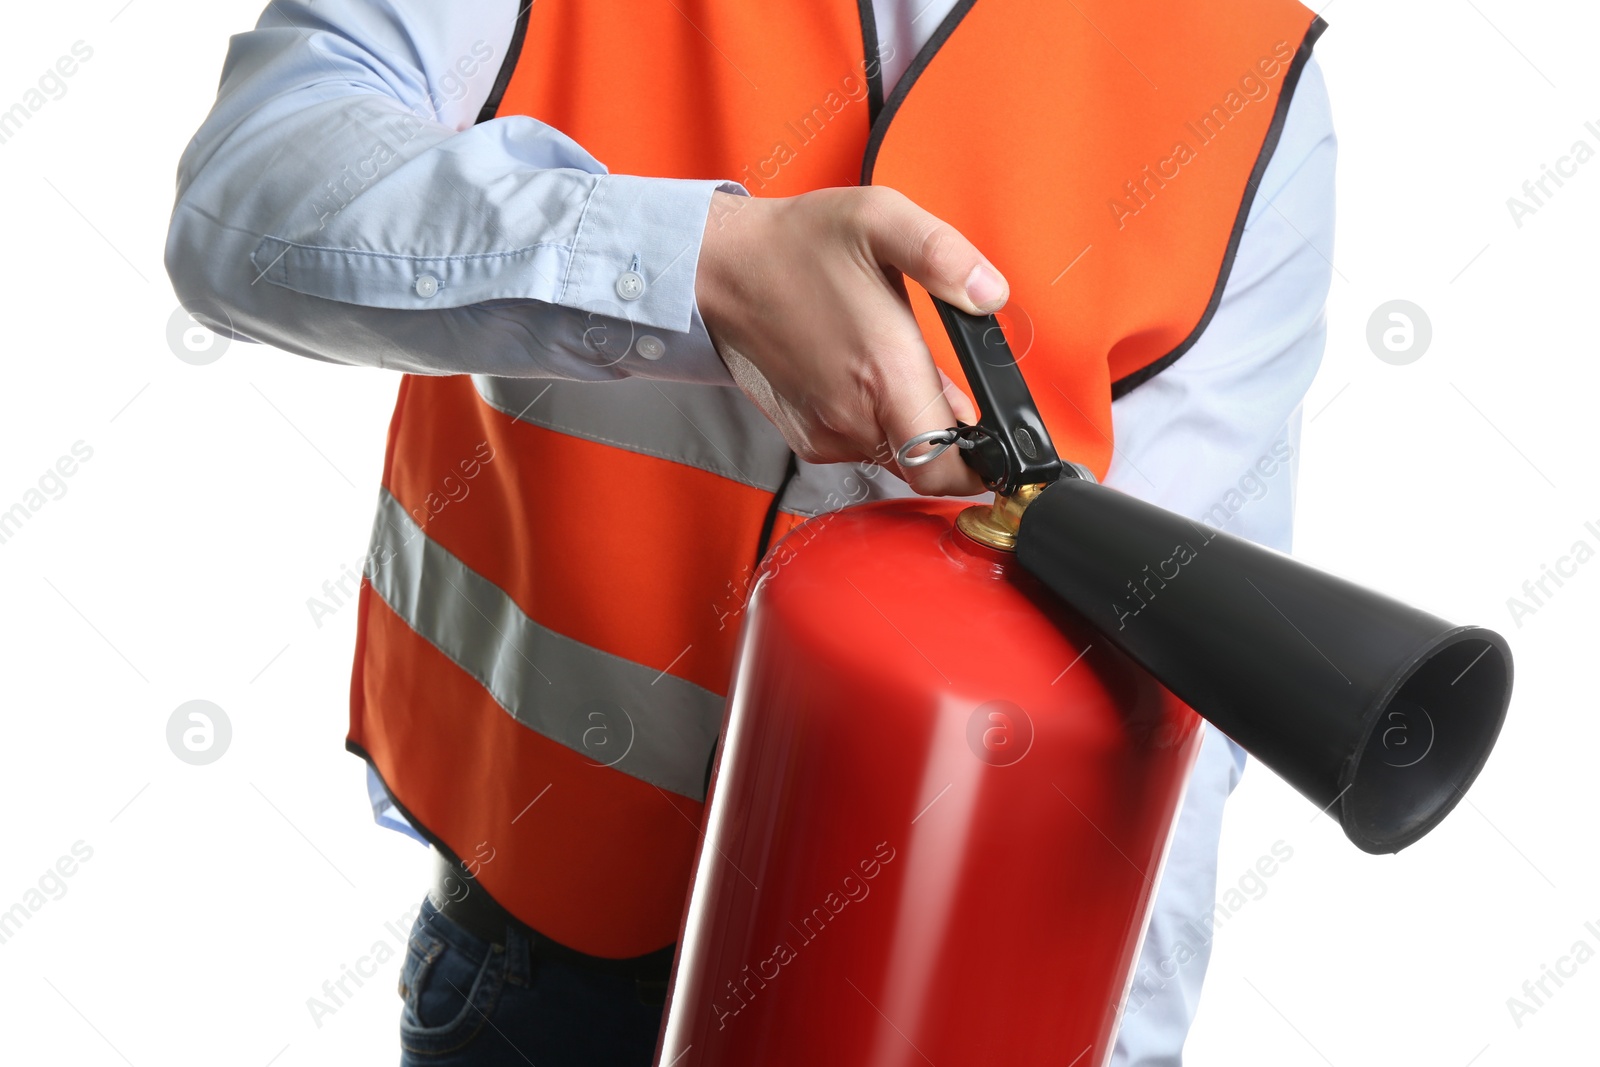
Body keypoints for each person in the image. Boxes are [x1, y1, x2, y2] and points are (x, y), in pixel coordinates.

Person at [166, 1, 1336, 1063]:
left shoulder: (1248, 75)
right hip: (539, 968)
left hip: (930, 998)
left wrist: (1110, 1053)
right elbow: (249, 189)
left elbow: (1172, 710)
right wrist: (701, 268)